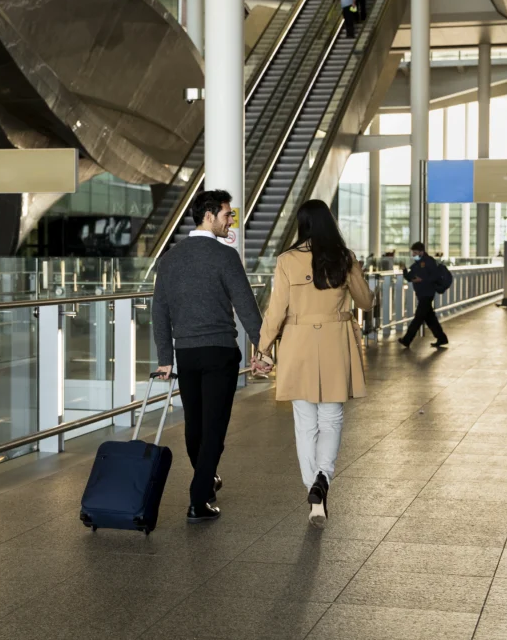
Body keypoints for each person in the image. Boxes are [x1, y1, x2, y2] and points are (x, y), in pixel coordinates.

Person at [252, 199, 374, 527]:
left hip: (298, 343)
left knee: (305, 421)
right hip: (336, 341)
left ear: (302, 224)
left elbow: (276, 311)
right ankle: (323, 479)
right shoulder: (344, 257)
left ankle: (312, 488)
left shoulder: (287, 260)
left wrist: (263, 349)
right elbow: (366, 302)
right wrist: (357, 273)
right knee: (331, 418)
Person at [152, 189, 262, 523]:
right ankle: (199, 501)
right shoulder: (224, 256)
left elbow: (160, 309)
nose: (231, 220)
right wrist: (265, 347)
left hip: (186, 354)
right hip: (219, 352)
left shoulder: (169, 258)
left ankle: (206, 476)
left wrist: (165, 357)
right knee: (214, 427)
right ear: (210, 215)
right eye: (228, 214)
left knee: (195, 425)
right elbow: (246, 306)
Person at [398, 242, 449, 349]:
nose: (413, 255)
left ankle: (407, 340)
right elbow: (409, 278)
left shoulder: (429, 261)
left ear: (422, 252)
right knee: (430, 318)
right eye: (413, 253)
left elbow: (435, 276)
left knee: (418, 318)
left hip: (427, 293)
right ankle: (442, 338)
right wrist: (404, 270)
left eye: (415, 252)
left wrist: (422, 279)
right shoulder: (417, 264)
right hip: (421, 294)